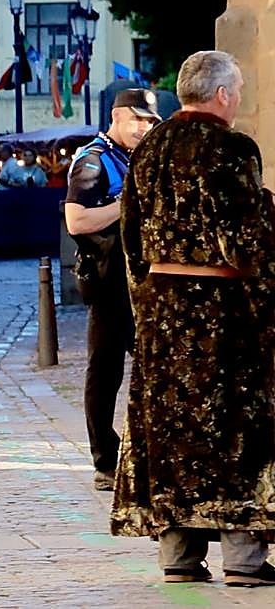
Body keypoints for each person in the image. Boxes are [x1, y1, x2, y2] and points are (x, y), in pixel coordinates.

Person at [113, 50, 275, 588]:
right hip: (220, 311)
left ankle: (178, 555)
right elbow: (246, 240)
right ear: (223, 95)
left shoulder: (150, 148)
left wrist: (147, 304)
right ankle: (243, 559)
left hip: (162, 309)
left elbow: (130, 236)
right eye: (239, 89)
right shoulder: (231, 148)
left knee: (169, 429)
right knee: (233, 426)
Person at [65, 88, 161, 492]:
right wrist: (129, 204)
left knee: (154, 368)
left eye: (150, 121)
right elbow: (77, 221)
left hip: (143, 280)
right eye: (137, 119)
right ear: (117, 116)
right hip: (108, 282)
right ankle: (105, 459)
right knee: (105, 372)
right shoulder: (93, 160)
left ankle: (144, 453)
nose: (143, 127)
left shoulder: (140, 158)